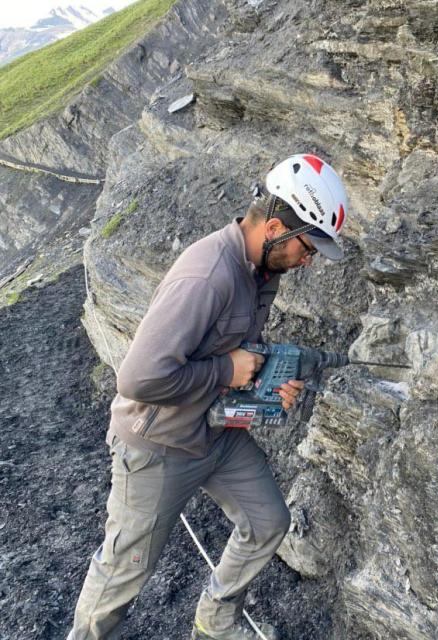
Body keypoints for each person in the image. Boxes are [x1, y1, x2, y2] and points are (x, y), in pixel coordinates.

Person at [67, 153, 349, 640]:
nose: (309, 261)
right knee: (122, 572)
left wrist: (261, 382)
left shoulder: (263, 270)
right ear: (277, 228)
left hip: (214, 433)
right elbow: (138, 379)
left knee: (268, 521)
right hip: (157, 446)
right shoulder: (208, 276)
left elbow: (230, 351)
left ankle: (214, 622)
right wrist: (227, 369)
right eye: (308, 247)